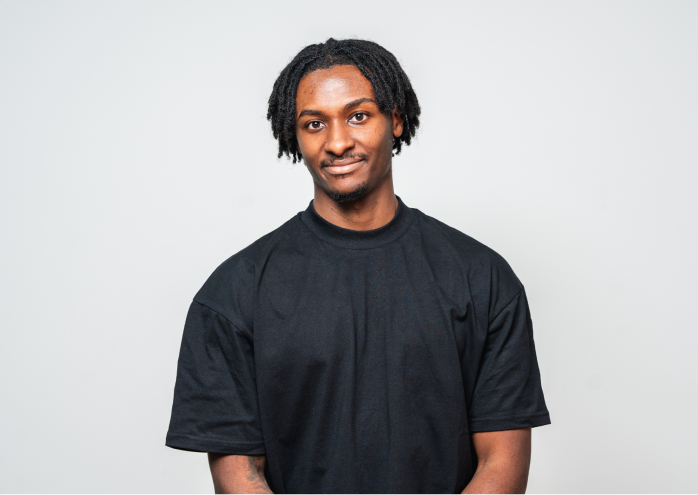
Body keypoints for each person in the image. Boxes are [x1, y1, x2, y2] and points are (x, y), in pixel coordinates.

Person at [166, 38, 550, 495]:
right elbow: (239, 472)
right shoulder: (235, 292)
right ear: (295, 136)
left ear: (396, 120)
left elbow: (501, 462)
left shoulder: (481, 278)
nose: (337, 142)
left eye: (358, 116)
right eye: (314, 123)